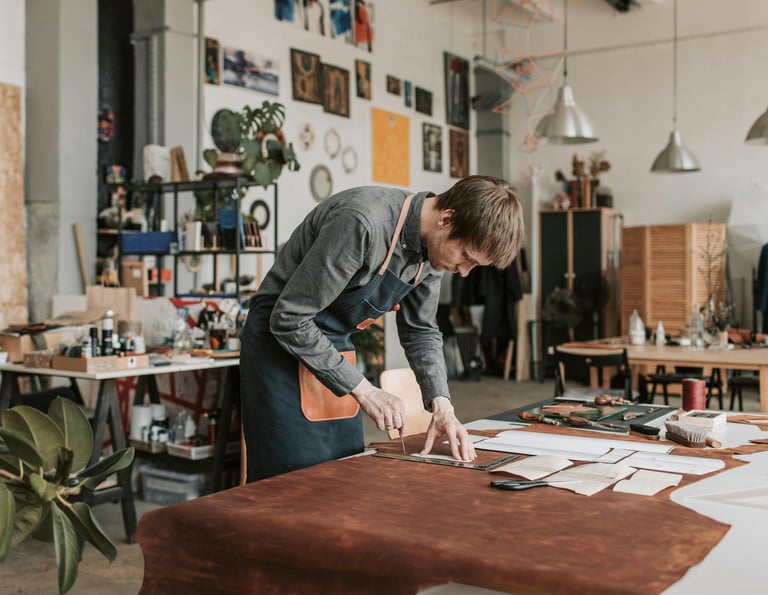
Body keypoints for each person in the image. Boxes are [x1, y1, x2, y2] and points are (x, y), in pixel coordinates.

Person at [240, 175, 525, 481]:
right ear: (446, 218)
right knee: (290, 485)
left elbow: (421, 330)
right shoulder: (362, 223)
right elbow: (290, 318)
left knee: (343, 473)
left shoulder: (431, 252)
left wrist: (443, 406)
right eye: (466, 256)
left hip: (332, 345)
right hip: (278, 345)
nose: (465, 272)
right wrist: (366, 391)